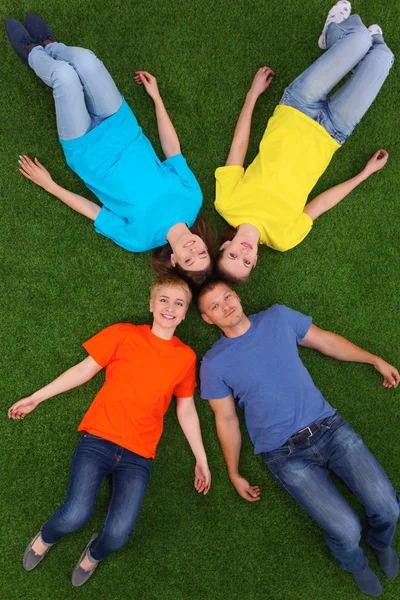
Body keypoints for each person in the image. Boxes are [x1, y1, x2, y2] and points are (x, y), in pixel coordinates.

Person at [197, 279, 399, 597]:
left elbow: (326, 342)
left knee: (387, 506)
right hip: (285, 454)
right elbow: (226, 419)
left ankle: (380, 541)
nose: (226, 305)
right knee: (346, 530)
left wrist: (375, 359)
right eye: (215, 306)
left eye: (227, 296)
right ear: (208, 319)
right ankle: (356, 563)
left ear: (236, 295)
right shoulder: (213, 363)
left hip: (331, 429)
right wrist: (233, 472)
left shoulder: (277, 318)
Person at [8, 275, 211, 587]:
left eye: (179, 303)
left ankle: (93, 554)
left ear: (185, 314)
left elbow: (185, 409)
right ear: (151, 304)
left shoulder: (185, 357)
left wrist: (201, 459)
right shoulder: (124, 334)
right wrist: (36, 397)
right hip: (99, 440)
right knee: (74, 515)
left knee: (117, 535)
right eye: (164, 300)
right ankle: (46, 537)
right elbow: (84, 370)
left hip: (139, 456)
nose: (170, 307)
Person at [5, 14, 214, 285]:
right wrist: (157, 98)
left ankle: (32, 51)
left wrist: (51, 185)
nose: (193, 249)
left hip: (86, 149)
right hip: (121, 125)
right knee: (87, 62)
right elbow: (173, 150)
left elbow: (94, 211)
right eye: (202, 252)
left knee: (65, 77)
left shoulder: (138, 240)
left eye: (189, 259)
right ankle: (50, 45)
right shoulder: (192, 199)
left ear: (174, 261)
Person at [214, 1, 394, 283]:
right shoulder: (283, 239)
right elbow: (320, 204)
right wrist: (364, 173)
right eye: (247, 262)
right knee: (383, 56)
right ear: (256, 262)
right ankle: (356, 52)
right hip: (333, 131)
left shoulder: (226, 205)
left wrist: (253, 95)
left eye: (233, 255)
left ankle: (333, 35)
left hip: (297, 107)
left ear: (225, 247)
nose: (243, 252)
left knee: (360, 37)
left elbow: (238, 148)